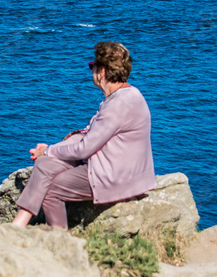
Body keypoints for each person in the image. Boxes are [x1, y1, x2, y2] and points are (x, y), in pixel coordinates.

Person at [12, 41, 156, 229]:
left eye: (92, 67)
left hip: (115, 176)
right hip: (108, 164)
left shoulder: (118, 104)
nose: (91, 70)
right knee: (44, 164)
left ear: (102, 72)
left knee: (51, 189)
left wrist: (49, 150)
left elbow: (84, 148)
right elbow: (90, 135)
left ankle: (59, 242)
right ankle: (17, 225)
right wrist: (49, 152)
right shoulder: (125, 95)